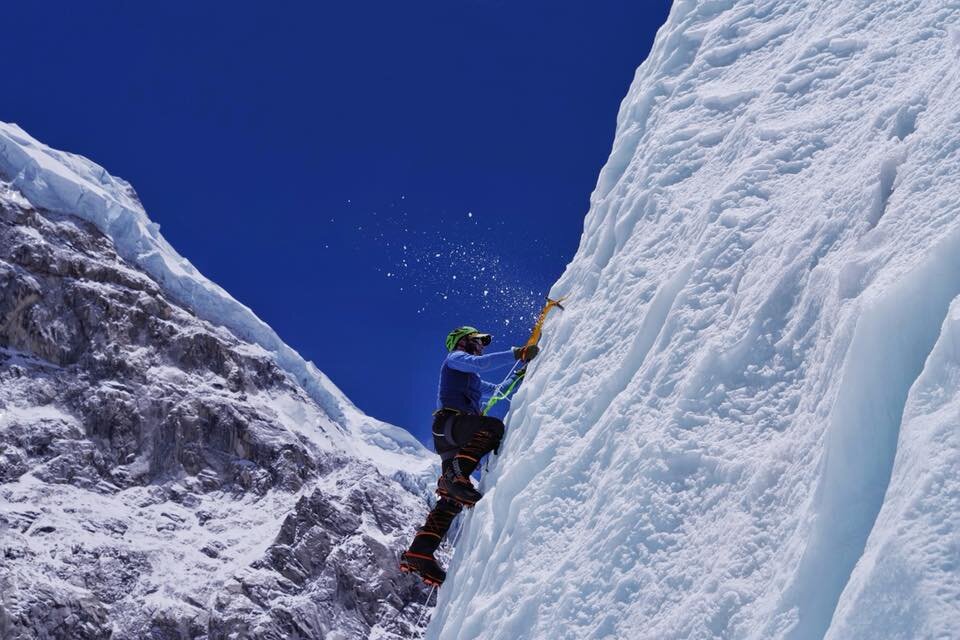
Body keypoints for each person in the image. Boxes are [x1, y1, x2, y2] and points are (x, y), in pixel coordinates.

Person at [399, 326, 540, 586]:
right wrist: (517, 353)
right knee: (492, 428)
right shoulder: (454, 358)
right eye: (478, 341)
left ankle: (420, 552)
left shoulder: (471, 380)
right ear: (464, 341)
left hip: (450, 435)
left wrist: (520, 374)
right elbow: (482, 364)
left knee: (451, 501)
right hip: (452, 424)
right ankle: (455, 477)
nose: (481, 346)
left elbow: (498, 391)